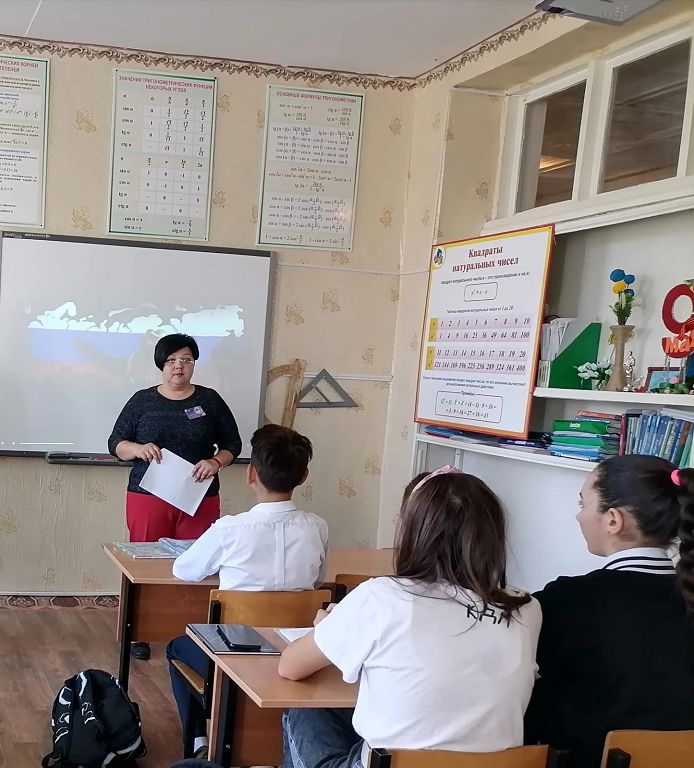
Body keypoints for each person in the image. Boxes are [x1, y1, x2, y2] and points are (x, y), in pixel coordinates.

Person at [278, 466, 541, 768]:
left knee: (304, 708)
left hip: (389, 763)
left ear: (413, 533)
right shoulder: (526, 609)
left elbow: (290, 666)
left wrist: (328, 629)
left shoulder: (382, 596)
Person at [167, 424, 328, 760]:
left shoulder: (230, 529)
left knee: (176, 647)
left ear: (250, 473)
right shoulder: (317, 527)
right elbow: (316, 583)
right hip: (297, 654)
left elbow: (183, 570)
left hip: (235, 658)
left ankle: (198, 742)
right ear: (304, 477)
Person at [524, 456, 694, 767]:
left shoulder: (567, 600)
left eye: (583, 503)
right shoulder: (687, 597)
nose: (578, 516)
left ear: (613, 520)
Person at [108, 332, 241, 660]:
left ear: (194, 364)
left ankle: (191, 630)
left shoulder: (209, 400)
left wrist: (215, 462)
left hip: (199, 497)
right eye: (171, 360)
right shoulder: (142, 400)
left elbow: (233, 444)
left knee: (200, 562)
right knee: (145, 562)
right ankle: (138, 632)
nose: (178, 366)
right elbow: (115, 443)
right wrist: (138, 449)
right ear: (161, 365)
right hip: (148, 495)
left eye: (186, 360)